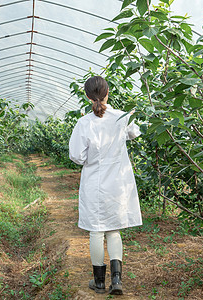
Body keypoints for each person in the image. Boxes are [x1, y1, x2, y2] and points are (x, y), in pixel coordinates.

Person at [69, 76, 142, 295]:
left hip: (94, 183)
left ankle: (99, 282)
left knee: (95, 231)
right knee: (113, 230)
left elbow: (76, 156)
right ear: (108, 92)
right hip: (117, 183)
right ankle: (117, 281)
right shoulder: (121, 117)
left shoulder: (84, 123)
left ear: (87, 96)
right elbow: (135, 133)